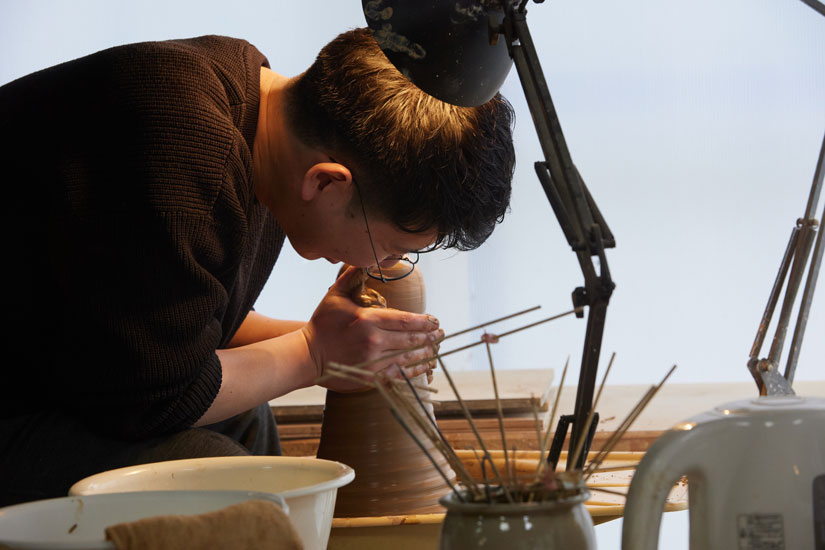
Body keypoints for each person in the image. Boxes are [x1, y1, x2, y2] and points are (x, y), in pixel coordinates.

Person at [0, 28, 515, 505]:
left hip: (51, 369)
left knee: (246, 418)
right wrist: (314, 353)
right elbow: (151, 396)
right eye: (391, 245)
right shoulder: (185, 139)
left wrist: (350, 346)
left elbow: (161, 316)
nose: (386, 264)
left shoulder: (257, 117)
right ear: (328, 183)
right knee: (228, 482)